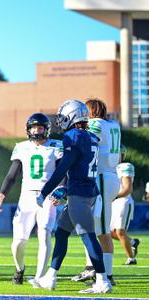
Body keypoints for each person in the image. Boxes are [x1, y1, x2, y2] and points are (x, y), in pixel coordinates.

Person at [35, 99, 112, 294]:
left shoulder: (74, 135)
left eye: (63, 117)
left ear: (72, 116)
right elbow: (79, 165)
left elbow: (64, 167)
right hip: (87, 191)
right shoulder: (90, 136)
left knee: (88, 236)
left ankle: (103, 281)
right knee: (61, 232)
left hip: (80, 194)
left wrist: (45, 192)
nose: (60, 121)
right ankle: (51, 277)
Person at [0, 113, 63, 286]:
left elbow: (63, 173)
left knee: (45, 233)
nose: (36, 130)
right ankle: (20, 269)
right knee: (18, 242)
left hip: (48, 196)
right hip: (26, 197)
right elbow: (12, 175)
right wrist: (2, 194)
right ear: (28, 129)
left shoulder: (56, 146)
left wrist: (61, 191)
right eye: (33, 127)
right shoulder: (22, 147)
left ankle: (40, 277)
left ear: (46, 129)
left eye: (40, 127)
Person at [71, 98, 121, 285]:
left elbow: (86, 144)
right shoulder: (113, 124)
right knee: (90, 226)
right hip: (108, 176)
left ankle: (106, 274)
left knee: (101, 230)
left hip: (101, 177)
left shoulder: (96, 124)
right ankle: (91, 268)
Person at [110, 145, 139, 265]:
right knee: (108, 232)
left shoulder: (124, 166)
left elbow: (128, 189)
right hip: (113, 202)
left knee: (120, 232)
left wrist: (113, 196)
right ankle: (132, 242)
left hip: (123, 202)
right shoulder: (108, 168)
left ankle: (131, 258)